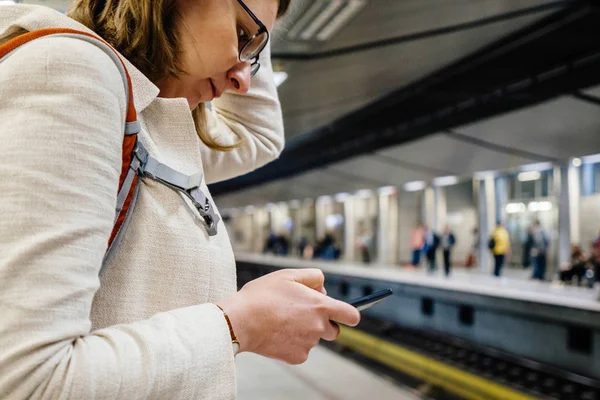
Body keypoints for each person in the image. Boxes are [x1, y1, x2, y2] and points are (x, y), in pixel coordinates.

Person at [0, 2, 361, 399]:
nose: (244, 81)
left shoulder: (144, 116)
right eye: (242, 34)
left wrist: (253, 36)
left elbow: (256, 135)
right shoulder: (74, 73)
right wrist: (239, 324)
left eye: (254, 51)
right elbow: (28, 381)